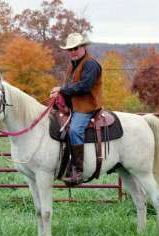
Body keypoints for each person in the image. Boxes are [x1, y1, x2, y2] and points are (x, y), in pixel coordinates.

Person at [50, 32, 103, 184]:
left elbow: (84, 86)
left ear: (83, 47)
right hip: (74, 106)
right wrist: (59, 93)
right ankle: (62, 163)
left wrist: (62, 90)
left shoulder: (90, 64)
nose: (72, 51)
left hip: (87, 107)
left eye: (76, 48)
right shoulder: (73, 65)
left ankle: (78, 171)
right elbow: (69, 86)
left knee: (75, 130)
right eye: (70, 49)